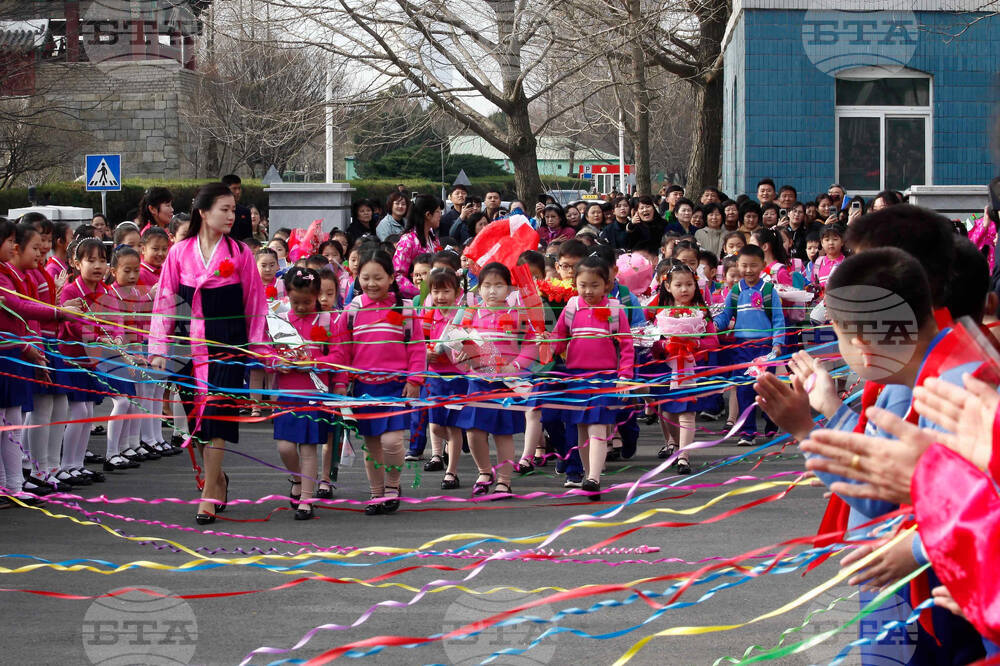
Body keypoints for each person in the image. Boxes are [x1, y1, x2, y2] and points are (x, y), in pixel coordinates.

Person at [756, 248, 986, 665]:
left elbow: (885, 497)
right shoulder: (944, 368)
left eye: (839, 337)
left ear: (860, 342)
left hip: (931, 591)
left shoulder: (948, 389)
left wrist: (806, 429)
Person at [149, 182, 269, 525]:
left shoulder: (240, 254)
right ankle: (216, 478)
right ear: (204, 212)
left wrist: (259, 348)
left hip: (226, 344)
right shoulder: (179, 252)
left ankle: (208, 494)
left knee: (217, 414)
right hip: (186, 346)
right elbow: (165, 303)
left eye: (234, 210)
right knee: (196, 419)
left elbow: (255, 304)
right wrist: (159, 347)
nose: (232, 216)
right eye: (225, 209)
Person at [330, 249, 424, 515]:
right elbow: (342, 351)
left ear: (392, 277)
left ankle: (393, 486)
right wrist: (340, 383)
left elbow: (417, 348)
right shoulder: (351, 311)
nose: (371, 284)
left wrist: (415, 380)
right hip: (364, 390)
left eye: (378, 278)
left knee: (392, 442)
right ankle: (376, 492)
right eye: (365, 277)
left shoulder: (405, 309)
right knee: (371, 444)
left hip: (395, 387)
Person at [551, 254, 634, 499]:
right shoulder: (571, 308)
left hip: (605, 378)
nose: (588, 291)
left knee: (598, 427)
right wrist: (543, 349)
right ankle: (588, 474)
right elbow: (557, 341)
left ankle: (594, 477)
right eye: (582, 285)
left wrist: (625, 376)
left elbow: (627, 348)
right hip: (575, 378)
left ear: (607, 285)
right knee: (581, 429)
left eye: (594, 285)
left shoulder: (615, 310)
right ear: (574, 284)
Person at [454, 262, 536, 499]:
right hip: (478, 381)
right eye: (487, 285)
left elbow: (531, 343)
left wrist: (516, 365)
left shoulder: (517, 315)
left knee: (503, 433)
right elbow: (458, 344)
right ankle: (483, 472)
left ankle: (504, 480)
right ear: (478, 289)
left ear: (509, 289)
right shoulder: (471, 313)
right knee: (474, 431)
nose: (492, 291)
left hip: (506, 383)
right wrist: (461, 357)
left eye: (499, 285)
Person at [269, 266, 336, 521]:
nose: (300, 306)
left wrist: (316, 362)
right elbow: (267, 353)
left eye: (306, 302)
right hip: (288, 391)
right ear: (287, 295)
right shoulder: (281, 321)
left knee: (309, 448)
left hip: (314, 393)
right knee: (285, 447)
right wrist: (278, 363)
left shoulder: (328, 320)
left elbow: (338, 356)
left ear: (317, 296)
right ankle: (297, 478)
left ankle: (306, 498)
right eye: (295, 301)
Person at [712, 244, 784, 446]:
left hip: (764, 348)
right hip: (741, 347)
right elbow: (726, 316)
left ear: (762, 265)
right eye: (744, 265)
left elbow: (778, 320)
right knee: (744, 390)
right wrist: (713, 325)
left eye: (754, 265)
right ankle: (748, 432)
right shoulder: (735, 291)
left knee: (766, 389)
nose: (749, 270)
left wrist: (777, 344)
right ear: (737, 265)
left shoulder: (769, 290)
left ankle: (771, 426)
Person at [649, 262, 718, 474]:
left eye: (689, 284)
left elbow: (713, 341)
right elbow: (645, 336)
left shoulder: (701, 311)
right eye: (678, 285)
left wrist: (695, 343)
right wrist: (662, 344)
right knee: (668, 411)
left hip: (690, 368)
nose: (685, 289)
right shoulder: (658, 310)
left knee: (687, 412)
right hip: (666, 368)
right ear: (668, 286)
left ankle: (684, 456)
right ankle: (676, 445)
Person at [422, 268, 467, 489]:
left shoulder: (463, 316)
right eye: (436, 291)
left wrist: (453, 348)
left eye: (446, 291)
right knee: (437, 425)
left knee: (453, 427)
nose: (441, 297)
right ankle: (450, 447)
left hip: (457, 377)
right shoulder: (429, 315)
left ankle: (452, 472)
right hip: (435, 377)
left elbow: (468, 346)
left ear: (456, 292)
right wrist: (426, 353)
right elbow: (419, 342)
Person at [392, 194, 442, 298]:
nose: (440, 214)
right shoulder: (408, 241)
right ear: (428, 215)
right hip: (416, 300)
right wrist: (420, 293)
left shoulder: (433, 239)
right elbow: (397, 276)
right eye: (437, 211)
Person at [221, 175, 253, 240]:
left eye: (239, 188)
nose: (238, 192)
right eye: (234, 188)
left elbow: (249, 237)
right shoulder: (217, 211)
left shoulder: (245, 212)